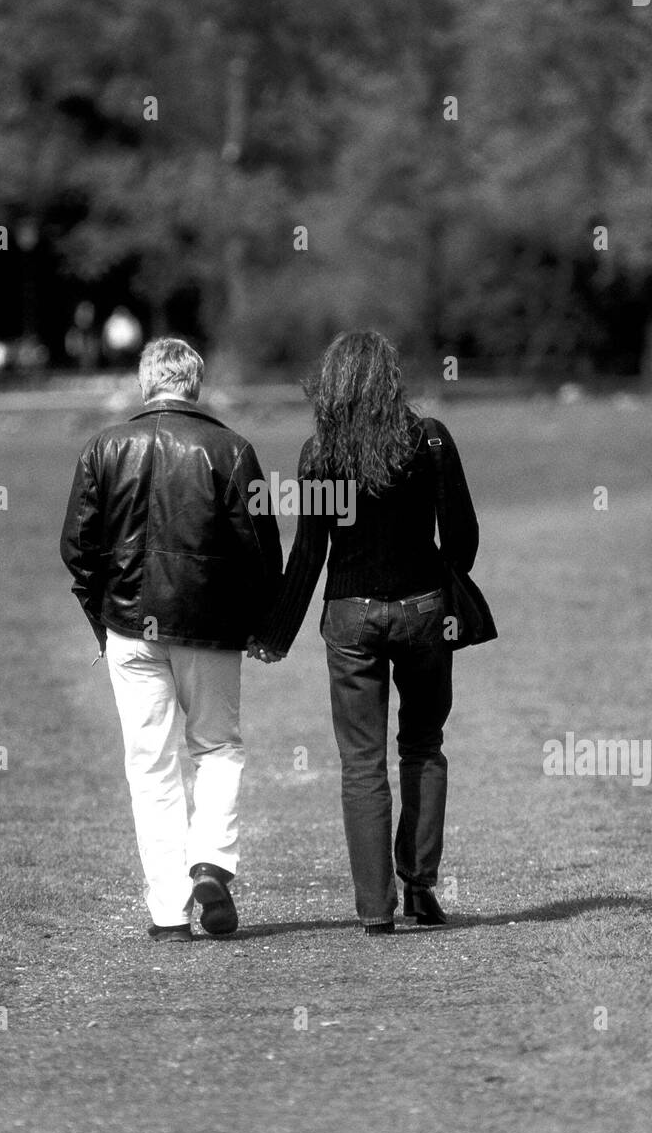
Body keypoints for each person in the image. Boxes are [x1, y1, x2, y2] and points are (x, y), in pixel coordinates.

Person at [250, 330, 480, 936]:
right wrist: (443, 583)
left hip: (349, 615)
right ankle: (422, 889)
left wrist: (275, 634)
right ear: (391, 378)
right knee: (424, 746)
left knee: (361, 763)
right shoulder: (429, 439)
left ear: (331, 386)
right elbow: (463, 537)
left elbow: (308, 552)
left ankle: (375, 909)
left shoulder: (319, 454)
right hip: (426, 608)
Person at [60, 338, 282, 943]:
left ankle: (167, 910)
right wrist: (264, 625)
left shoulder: (104, 446)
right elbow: (261, 549)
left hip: (128, 626)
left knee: (150, 766)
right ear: (196, 384)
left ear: (144, 382)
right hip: (209, 626)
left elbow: (78, 549)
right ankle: (210, 863)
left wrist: (99, 621)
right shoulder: (231, 448)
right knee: (216, 748)